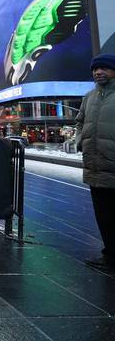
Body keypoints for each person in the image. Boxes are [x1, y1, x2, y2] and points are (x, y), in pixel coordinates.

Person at [76, 53, 115, 273]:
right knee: (104, 216)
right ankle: (110, 256)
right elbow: (79, 122)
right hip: (95, 167)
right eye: (95, 69)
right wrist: (80, 141)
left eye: (104, 68)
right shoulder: (89, 97)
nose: (98, 72)